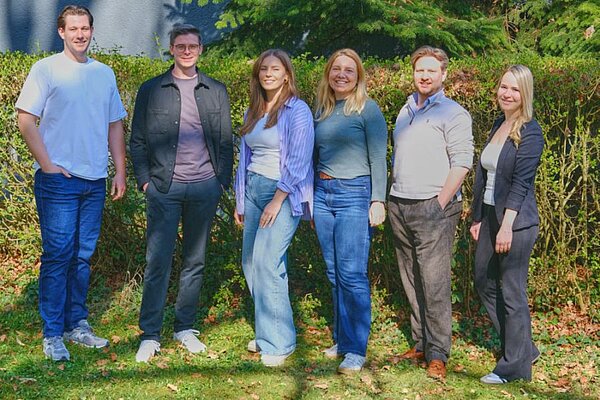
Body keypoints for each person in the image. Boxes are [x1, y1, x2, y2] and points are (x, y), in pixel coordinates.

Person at [15, 5, 127, 361]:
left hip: (94, 180)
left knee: (82, 256)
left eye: (85, 28)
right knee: (59, 255)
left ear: (92, 31)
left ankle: (76, 324)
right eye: (73, 28)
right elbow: (25, 119)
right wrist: (48, 166)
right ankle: (52, 333)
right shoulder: (46, 69)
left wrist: (119, 170)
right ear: (61, 32)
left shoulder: (104, 74)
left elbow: (114, 124)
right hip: (58, 181)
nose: (80, 34)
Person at [130, 24, 233, 363]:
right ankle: (150, 334)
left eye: (193, 46)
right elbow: (138, 140)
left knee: (195, 260)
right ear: (171, 49)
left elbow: (225, 140)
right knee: (157, 260)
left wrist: (220, 181)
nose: (187, 51)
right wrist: (145, 181)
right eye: (181, 46)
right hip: (164, 187)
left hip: (204, 186)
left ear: (201, 49)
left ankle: (184, 327)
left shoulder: (215, 90)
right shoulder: (152, 89)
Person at [388, 45, 473, 379]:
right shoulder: (405, 109)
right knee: (411, 279)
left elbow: (462, 162)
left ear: (443, 74)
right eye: (419, 70)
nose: (424, 76)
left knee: (434, 282)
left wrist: (439, 203)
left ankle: (438, 353)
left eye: (431, 70)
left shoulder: (454, 113)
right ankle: (421, 343)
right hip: (400, 203)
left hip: (433, 207)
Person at [233, 49, 314, 367]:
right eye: (263, 69)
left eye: (275, 69)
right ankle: (268, 330)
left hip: (281, 192)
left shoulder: (297, 111)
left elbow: (299, 159)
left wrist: (277, 200)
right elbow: (245, 159)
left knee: (268, 262)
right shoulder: (253, 110)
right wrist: (241, 199)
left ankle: (280, 343)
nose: (268, 73)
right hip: (254, 188)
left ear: (287, 75)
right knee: (250, 262)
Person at [313, 48, 387, 374]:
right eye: (336, 69)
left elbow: (379, 157)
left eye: (349, 70)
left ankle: (356, 349)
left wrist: (378, 200)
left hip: (355, 195)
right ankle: (342, 340)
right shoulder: (322, 109)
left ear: (358, 77)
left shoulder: (368, 109)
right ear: (328, 73)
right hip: (322, 195)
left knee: (352, 274)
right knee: (333, 273)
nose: (341, 75)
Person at [470, 65, 544, 384]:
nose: (507, 94)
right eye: (503, 87)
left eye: (515, 89)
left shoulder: (531, 132)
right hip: (490, 216)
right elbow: (486, 176)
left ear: (525, 94)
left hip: (516, 221)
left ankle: (514, 367)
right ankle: (523, 348)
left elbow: (520, 184)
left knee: (512, 291)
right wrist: (478, 217)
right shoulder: (499, 123)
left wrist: (506, 226)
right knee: (483, 281)